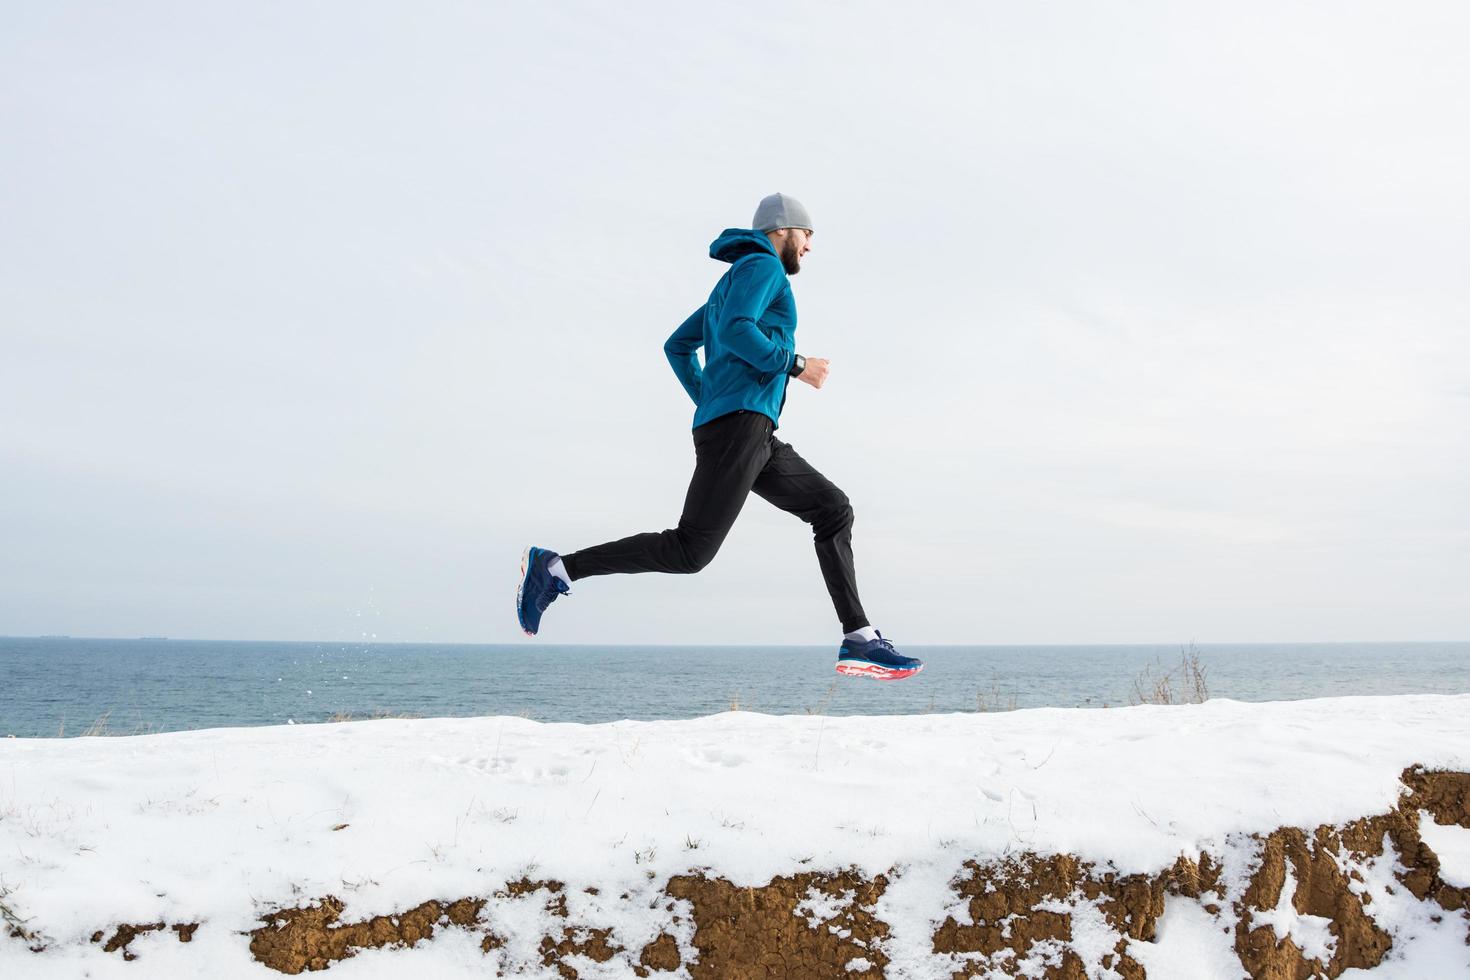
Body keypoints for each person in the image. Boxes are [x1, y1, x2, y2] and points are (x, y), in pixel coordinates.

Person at [516, 193, 922, 681]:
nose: (811, 246)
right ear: (783, 230)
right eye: (808, 234)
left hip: (751, 431)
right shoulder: (762, 267)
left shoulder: (729, 283)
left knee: (833, 508)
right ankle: (556, 568)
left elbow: (678, 345)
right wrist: (796, 365)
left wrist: (711, 397)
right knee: (690, 551)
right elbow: (735, 331)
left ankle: (859, 638)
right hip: (740, 428)